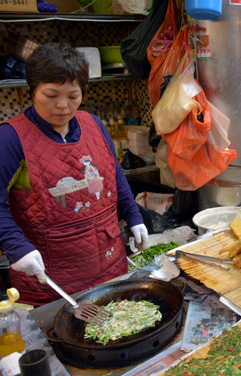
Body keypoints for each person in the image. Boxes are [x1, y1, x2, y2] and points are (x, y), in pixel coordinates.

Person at [0, 44, 149, 306]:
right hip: (51, 281)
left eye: (73, 95)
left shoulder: (94, 124)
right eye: (51, 94)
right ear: (32, 89)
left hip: (110, 265)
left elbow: (114, 176)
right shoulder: (10, 138)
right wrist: (15, 247)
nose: (62, 105)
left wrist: (133, 216)